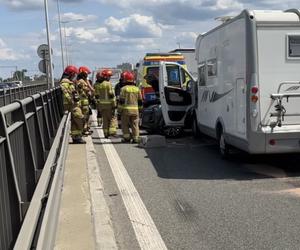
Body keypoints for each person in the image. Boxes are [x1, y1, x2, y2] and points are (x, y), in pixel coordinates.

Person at [118, 71, 143, 143]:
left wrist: (119, 111)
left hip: (125, 111)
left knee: (125, 124)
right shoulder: (137, 89)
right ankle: (136, 138)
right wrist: (140, 110)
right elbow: (140, 101)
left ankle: (127, 138)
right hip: (135, 111)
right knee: (135, 125)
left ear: (125, 80)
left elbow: (121, 101)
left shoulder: (123, 89)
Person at [94, 69, 116, 138]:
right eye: (109, 76)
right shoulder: (108, 84)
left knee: (105, 120)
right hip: (109, 105)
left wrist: (98, 105)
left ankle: (106, 133)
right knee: (112, 118)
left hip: (101, 106)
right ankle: (112, 133)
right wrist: (114, 105)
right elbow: (111, 95)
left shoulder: (98, 85)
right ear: (106, 77)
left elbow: (96, 96)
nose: (110, 77)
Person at [77, 66, 93, 135]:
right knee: (85, 117)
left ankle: (85, 129)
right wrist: (89, 85)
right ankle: (84, 130)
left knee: (87, 116)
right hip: (83, 103)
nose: (87, 76)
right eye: (86, 75)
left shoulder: (81, 81)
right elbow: (88, 91)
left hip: (84, 102)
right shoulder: (81, 82)